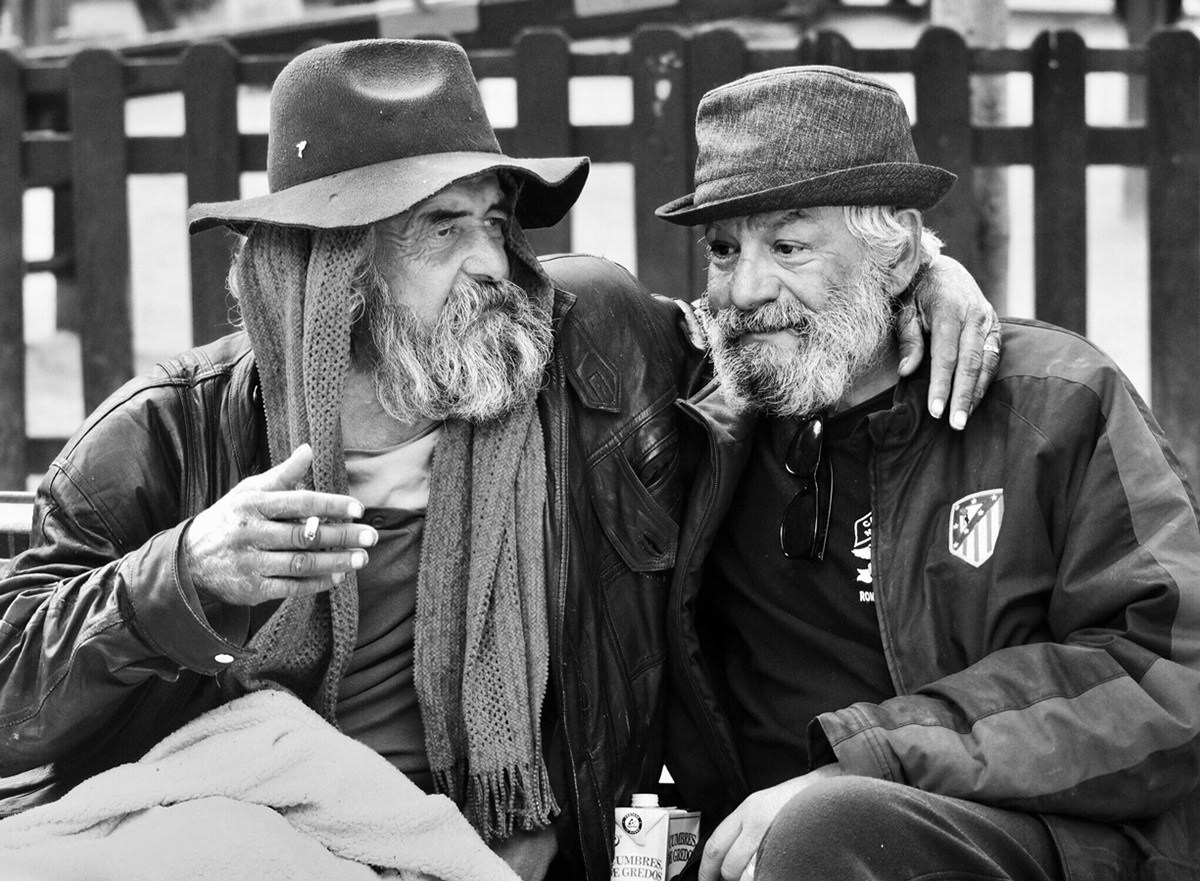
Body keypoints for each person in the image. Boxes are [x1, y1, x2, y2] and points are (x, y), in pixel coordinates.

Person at [0, 42, 997, 881]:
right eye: (443, 228)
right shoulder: (169, 433)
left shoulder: (594, 349)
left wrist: (913, 273)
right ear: (337, 267)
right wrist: (179, 577)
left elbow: (774, 338)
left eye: (493, 220)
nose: (490, 260)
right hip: (271, 840)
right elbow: (13, 693)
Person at [655, 64, 1200, 881]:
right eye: (725, 250)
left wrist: (868, 761)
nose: (746, 288)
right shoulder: (705, 421)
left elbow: (1165, 680)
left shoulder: (1055, 403)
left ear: (900, 249)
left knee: (828, 826)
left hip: (1021, 842)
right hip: (758, 852)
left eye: (789, 246)